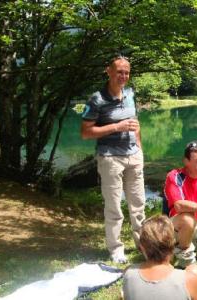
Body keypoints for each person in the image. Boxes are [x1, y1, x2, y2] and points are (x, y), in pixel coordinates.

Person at [81, 56, 145, 264]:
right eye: (119, 72)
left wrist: (140, 150)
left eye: (126, 72)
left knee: (138, 205)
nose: (123, 76)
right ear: (108, 71)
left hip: (133, 155)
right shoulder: (96, 99)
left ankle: (143, 244)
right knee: (114, 206)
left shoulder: (130, 93)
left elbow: (136, 124)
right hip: (110, 158)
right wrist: (116, 127)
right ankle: (116, 248)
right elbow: (86, 132)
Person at [123, 215, 197, 300]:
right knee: (195, 270)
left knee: (194, 269)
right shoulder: (188, 280)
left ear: (142, 248)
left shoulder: (128, 273)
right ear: (173, 246)